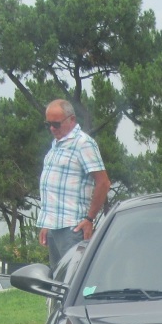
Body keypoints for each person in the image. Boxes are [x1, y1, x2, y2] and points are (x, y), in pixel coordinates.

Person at [37, 99, 112, 272]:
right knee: (58, 280)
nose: (52, 129)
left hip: (72, 227)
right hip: (54, 227)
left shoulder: (83, 143)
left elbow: (103, 182)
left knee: (73, 278)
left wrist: (89, 219)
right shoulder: (57, 144)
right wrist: (46, 223)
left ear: (71, 120)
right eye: (48, 124)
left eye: (56, 124)